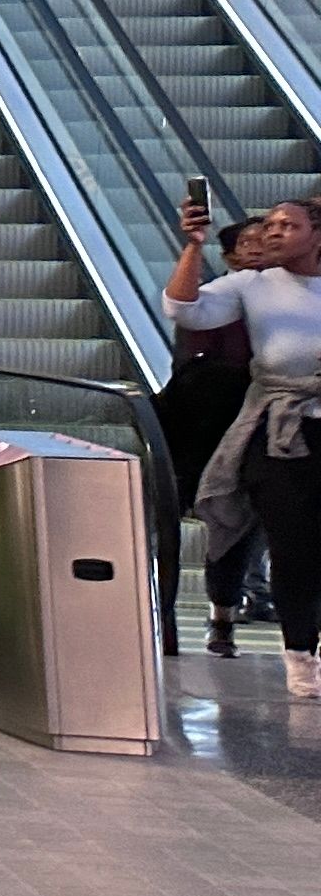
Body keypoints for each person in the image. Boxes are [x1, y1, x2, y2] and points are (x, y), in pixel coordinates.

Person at [168, 193, 321, 697]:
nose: (273, 232)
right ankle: (300, 654)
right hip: (280, 430)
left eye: (288, 225)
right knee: (292, 545)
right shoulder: (253, 284)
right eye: (271, 224)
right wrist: (194, 246)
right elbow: (185, 308)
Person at [165, 218, 272, 656]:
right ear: (228, 257)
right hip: (205, 424)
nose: (261, 248)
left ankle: (233, 610)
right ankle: (195, 613)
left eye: (267, 239)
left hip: (263, 417)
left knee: (248, 523)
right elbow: (184, 312)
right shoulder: (221, 298)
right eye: (249, 243)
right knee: (210, 521)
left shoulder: (291, 295)